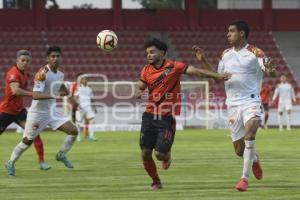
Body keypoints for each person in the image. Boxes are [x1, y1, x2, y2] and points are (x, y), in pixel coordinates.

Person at [136, 38, 231, 190]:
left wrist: (217, 76)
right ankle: (156, 181)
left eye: (152, 52)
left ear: (162, 52)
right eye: (147, 53)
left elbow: (197, 72)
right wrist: (139, 92)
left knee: (159, 154)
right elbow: (140, 86)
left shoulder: (175, 66)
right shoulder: (146, 70)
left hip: (166, 117)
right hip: (148, 116)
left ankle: (166, 154)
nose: (149, 55)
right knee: (145, 153)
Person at [211, 20, 276, 191]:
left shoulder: (256, 52)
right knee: (239, 150)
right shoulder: (225, 54)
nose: (228, 34)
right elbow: (217, 78)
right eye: (228, 31)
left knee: (250, 134)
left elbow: (271, 71)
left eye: (231, 31)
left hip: (251, 101)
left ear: (241, 33)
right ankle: (254, 159)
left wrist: (272, 69)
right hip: (232, 105)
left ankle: (244, 179)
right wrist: (203, 61)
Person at [5, 46, 78, 177]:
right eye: (53, 56)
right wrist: (54, 95)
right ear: (48, 58)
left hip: (52, 111)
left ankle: (61, 155)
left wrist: (69, 95)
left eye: (58, 56)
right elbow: (36, 95)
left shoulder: (60, 74)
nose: (55, 59)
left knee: (74, 131)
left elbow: (60, 86)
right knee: (27, 141)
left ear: (61, 58)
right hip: (38, 114)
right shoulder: (42, 73)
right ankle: (10, 162)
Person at [0, 50, 50, 170]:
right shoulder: (13, 73)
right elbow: (15, 91)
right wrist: (32, 93)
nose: (25, 62)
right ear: (17, 60)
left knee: (34, 134)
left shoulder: (25, 74)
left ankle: (42, 162)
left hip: (19, 111)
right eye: (22, 60)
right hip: (6, 112)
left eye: (27, 61)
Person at [74, 75, 97, 141]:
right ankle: (77, 136)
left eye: (87, 79)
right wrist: (78, 105)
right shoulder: (78, 88)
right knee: (78, 122)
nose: (85, 80)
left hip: (88, 107)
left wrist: (94, 106)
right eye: (84, 79)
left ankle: (91, 136)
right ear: (81, 81)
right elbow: (75, 97)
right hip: (81, 107)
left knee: (92, 120)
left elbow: (92, 99)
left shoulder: (89, 89)